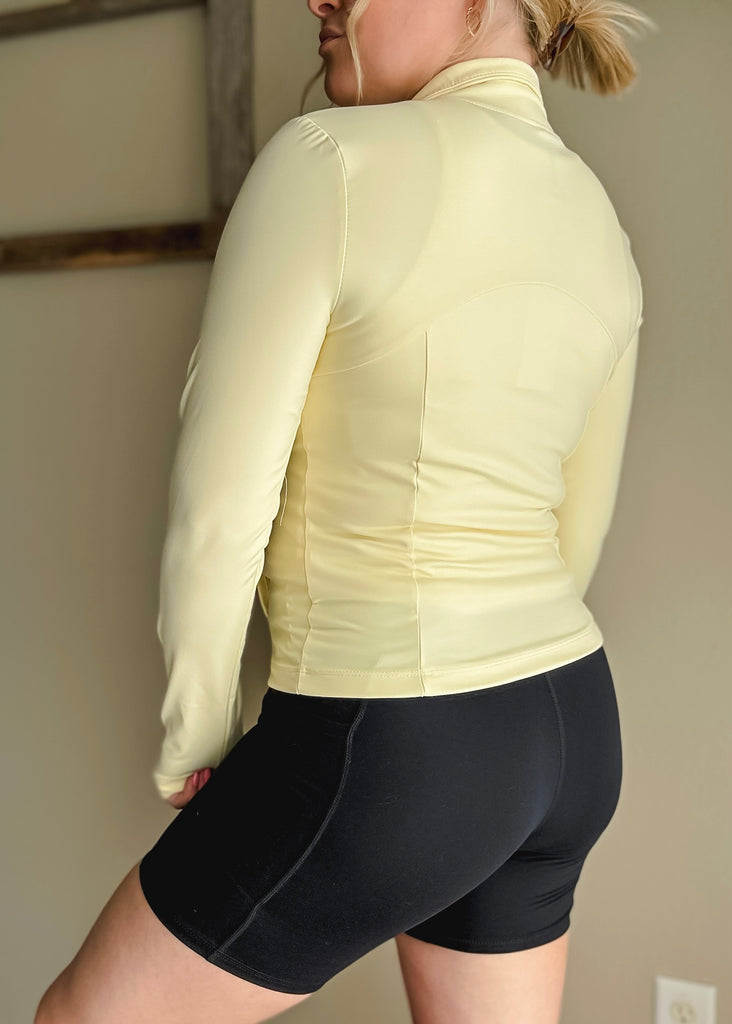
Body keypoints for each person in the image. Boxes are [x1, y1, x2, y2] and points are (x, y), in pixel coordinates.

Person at [34, 1, 657, 1022]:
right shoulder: (600, 220)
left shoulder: (329, 160)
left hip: (399, 733)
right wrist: (487, 736)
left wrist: (197, 737)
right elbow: (575, 532)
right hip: (569, 723)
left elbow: (220, 505)